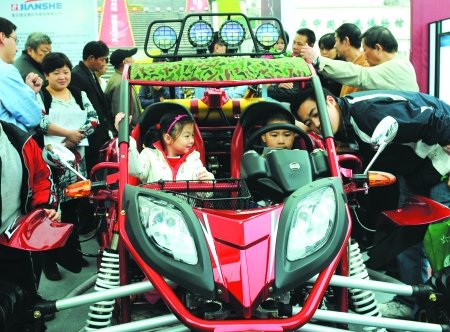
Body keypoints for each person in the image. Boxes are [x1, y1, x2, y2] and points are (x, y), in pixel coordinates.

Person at [291, 87, 450, 319]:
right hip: (417, 169)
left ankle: (443, 305)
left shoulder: (368, 113)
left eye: (316, 113)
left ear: (330, 101)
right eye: (309, 121)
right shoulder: (343, 125)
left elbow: (431, 116)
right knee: (408, 238)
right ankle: (411, 302)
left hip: (441, 161)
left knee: (441, 240)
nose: (316, 123)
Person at [0, 119, 60, 331]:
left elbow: (42, 176)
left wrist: (43, 207)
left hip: (15, 239)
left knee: (25, 312)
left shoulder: (19, 140)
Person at [299, 25, 419, 92]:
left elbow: (360, 74)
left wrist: (318, 60)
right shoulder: (402, 62)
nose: (364, 55)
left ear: (378, 48)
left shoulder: (395, 68)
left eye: (365, 50)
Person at [115, 111, 214, 183]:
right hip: (154, 209)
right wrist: (123, 134)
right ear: (168, 138)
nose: (192, 140)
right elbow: (135, 169)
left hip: (185, 210)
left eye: (192, 135)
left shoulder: (194, 160)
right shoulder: (150, 156)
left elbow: (203, 195)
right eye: (187, 136)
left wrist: (207, 180)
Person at [70, 40, 112, 173]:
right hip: (91, 138)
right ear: (91, 58)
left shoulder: (90, 73)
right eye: (102, 59)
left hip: (99, 135)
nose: (104, 63)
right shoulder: (77, 75)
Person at [0, 17, 42, 133]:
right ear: (2, 37)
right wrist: (30, 93)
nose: (17, 49)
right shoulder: (5, 71)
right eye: (15, 40)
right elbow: (33, 117)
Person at [267, 28, 317, 103]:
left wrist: (270, 88)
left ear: (311, 46)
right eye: (294, 42)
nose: (294, 47)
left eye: (299, 44)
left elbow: (294, 94)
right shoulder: (290, 59)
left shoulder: (308, 67)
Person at [105, 48, 141, 129]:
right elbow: (121, 115)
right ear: (125, 62)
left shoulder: (123, 78)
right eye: (131, 57)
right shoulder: (120, 84)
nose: (134, 60)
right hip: (126, 133)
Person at [333, 23, 369, 96]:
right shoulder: (352, 65)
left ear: (346, 41)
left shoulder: (365, 67)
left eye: (336, 40)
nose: (334, 46)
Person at [317, 32, 343, 96]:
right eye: (322, 48)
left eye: (328, 49)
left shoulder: (343, 66)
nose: (324, 52)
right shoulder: (317, 66)